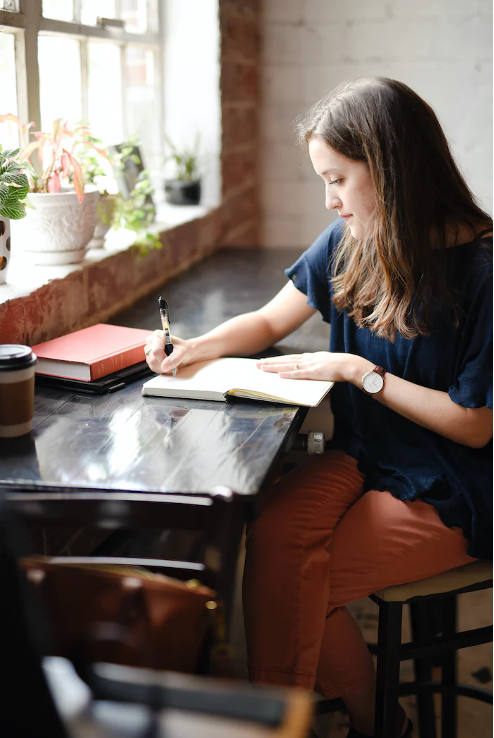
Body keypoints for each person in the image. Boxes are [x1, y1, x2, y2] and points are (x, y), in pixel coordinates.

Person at [145, 78, 493, 738]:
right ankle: (357, 720)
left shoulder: (483, 271)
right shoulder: (354, 237)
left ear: (390, 170)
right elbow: (269, 320)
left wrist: (359, 372)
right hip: (368, 455)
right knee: (272, 531)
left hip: (457, 482)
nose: (329, 200)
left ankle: (328, 723)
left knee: (301, 581)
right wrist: (192, 348)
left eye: (337, 178)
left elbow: (475, 427)